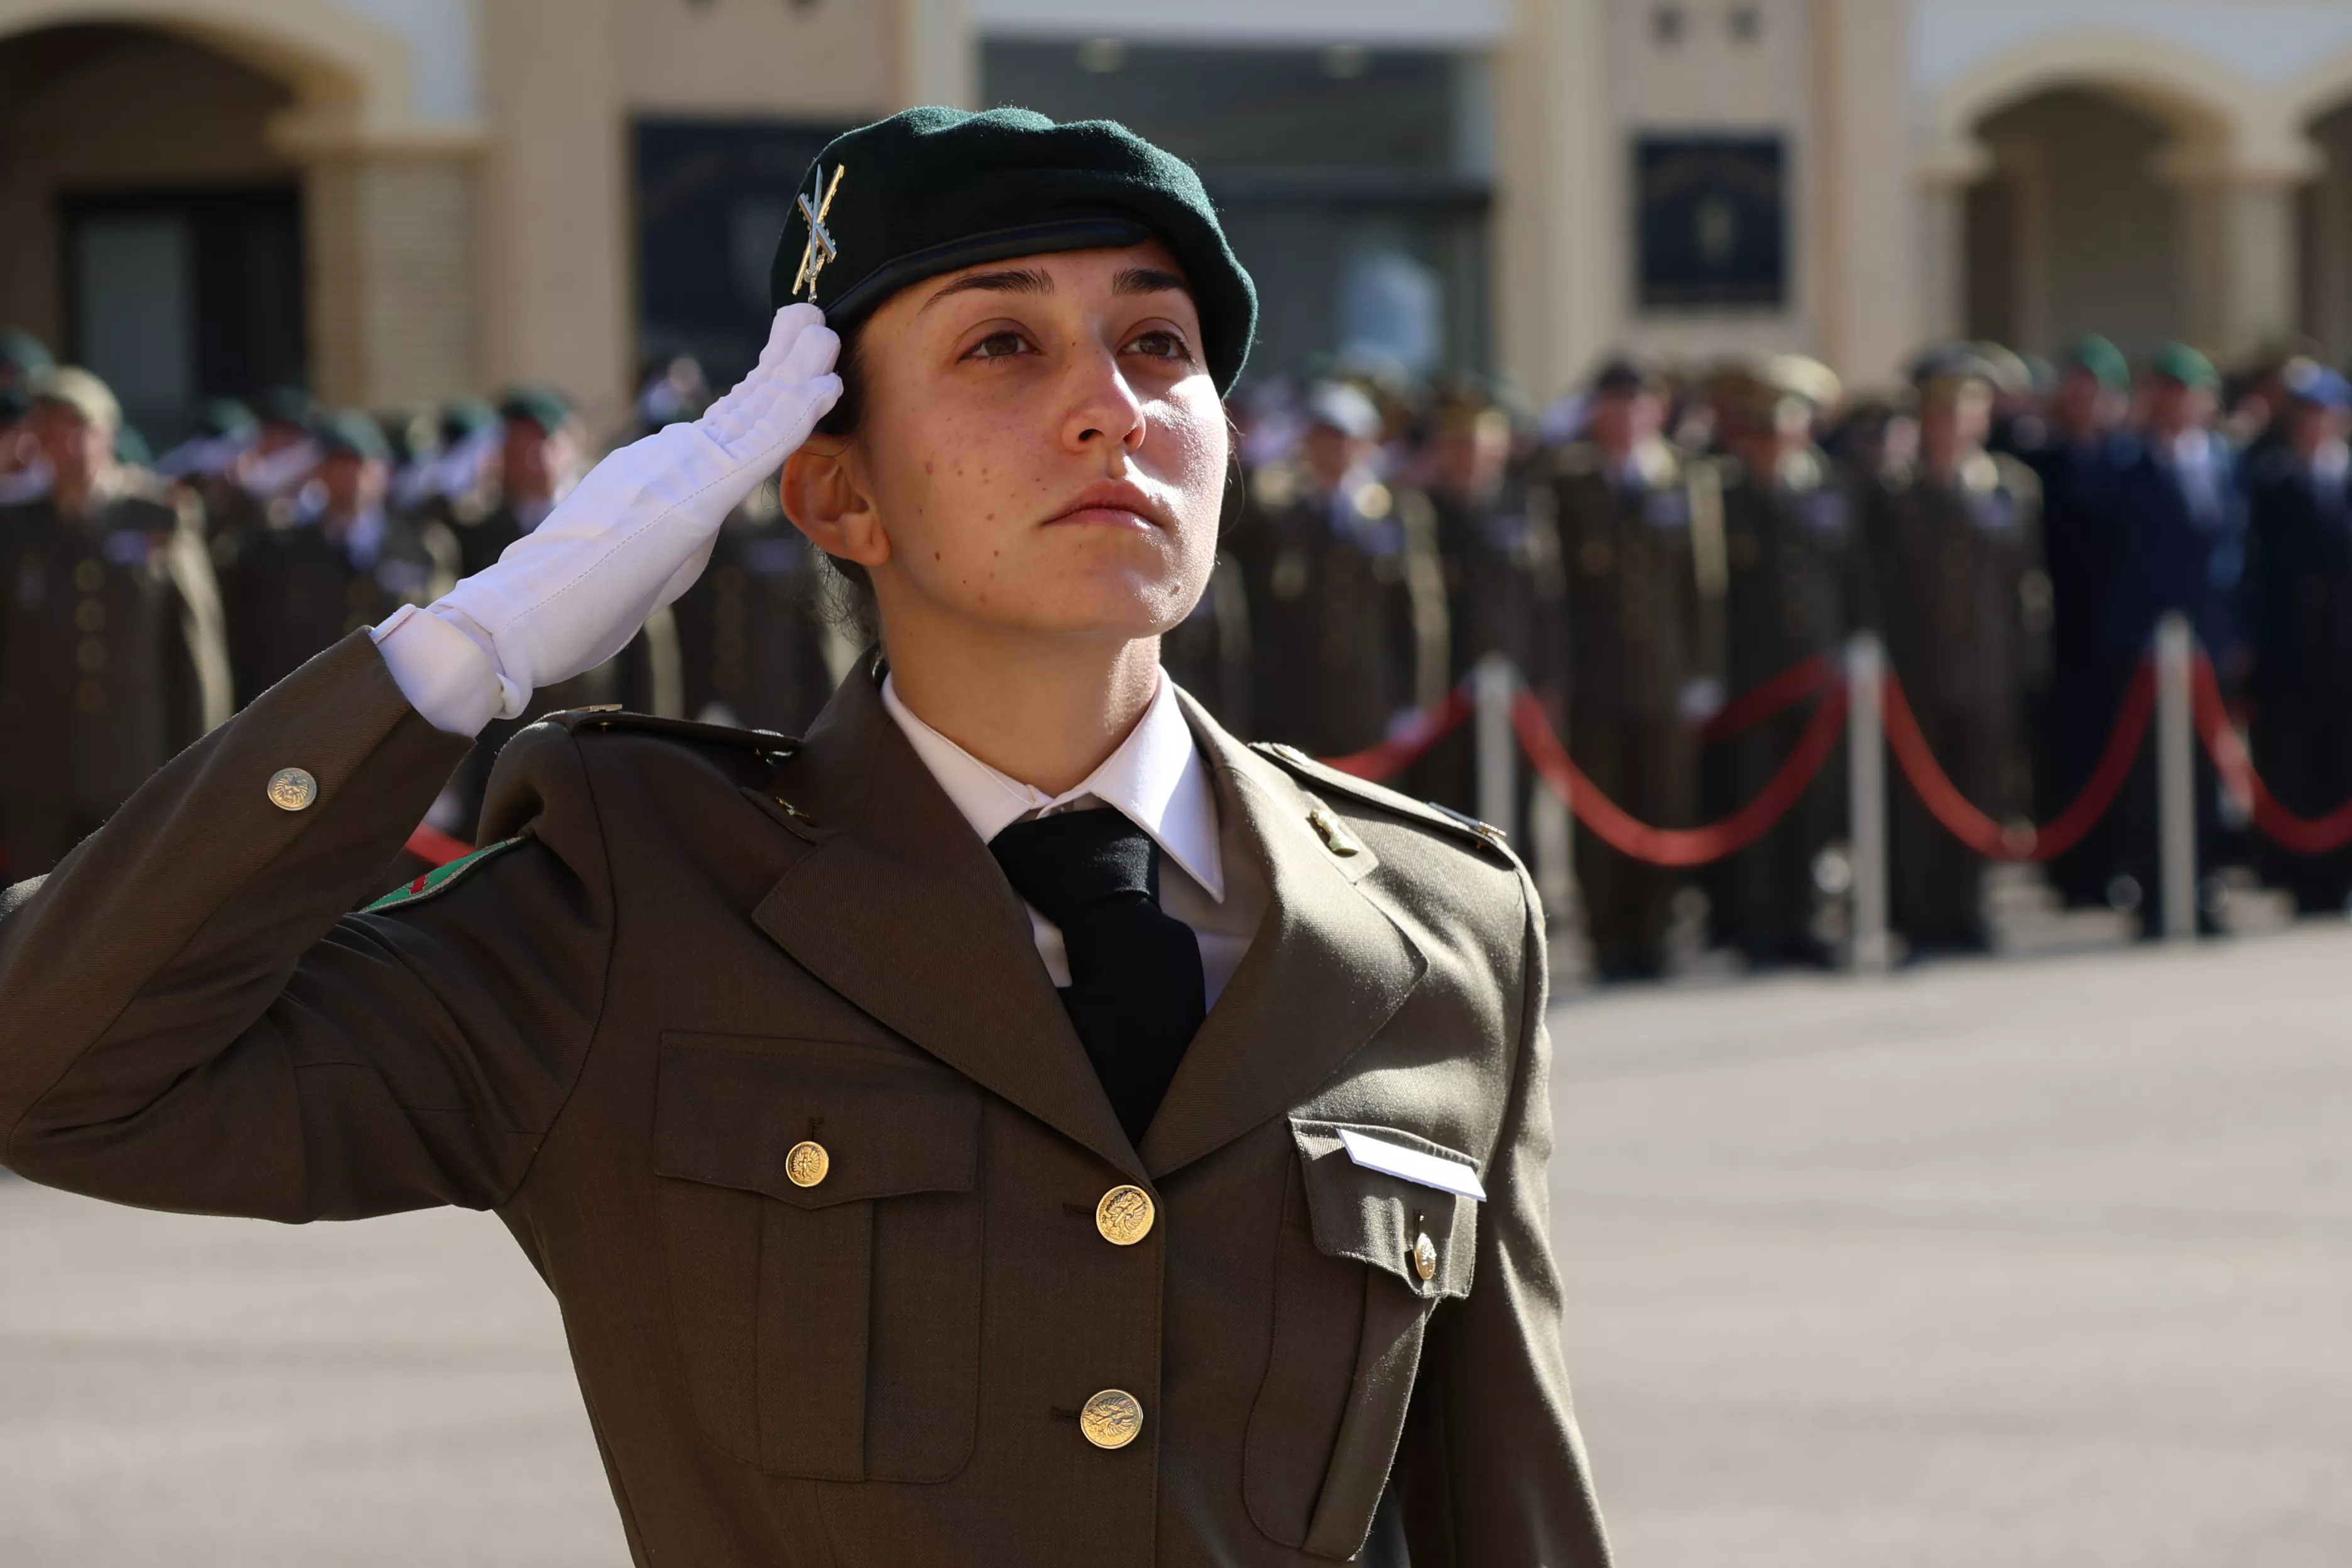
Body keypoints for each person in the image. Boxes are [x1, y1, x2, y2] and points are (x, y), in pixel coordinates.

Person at [0, 106, 1608, 1567]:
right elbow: (57, 1069)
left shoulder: (1432, 922)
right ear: (836, 494)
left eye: (1157, 345)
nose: (1107, 410)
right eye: (1000, 346)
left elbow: (1505, 1512)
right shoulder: (633, 902)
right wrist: (461, 651)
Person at [0, 367, 231, 879]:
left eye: (84, 428)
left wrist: (203, 765)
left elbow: (196, 654)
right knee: (34, 923)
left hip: (134, 764)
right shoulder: (16, 527)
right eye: (56, 432)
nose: (73, 445)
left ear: (109, 433)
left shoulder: (158, 516)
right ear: (36, 441)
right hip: (37, 771)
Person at [1862, 351, 2044, 952]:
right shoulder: (1895, 491)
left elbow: (2027, 585)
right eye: (1939, 415)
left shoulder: (2011, 488)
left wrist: (2028, 662)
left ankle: (1969, 906)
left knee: (1979, 792)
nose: (1950, 426)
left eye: (1962, 414)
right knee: (1916, 797)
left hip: (1987, 666)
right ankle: (1919, 913)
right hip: (1915, 669)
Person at [1540, 357, 1708, 978]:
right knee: (1600, 808)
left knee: (1662, 802)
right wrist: (1557, 675)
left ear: (1658, 411)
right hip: (1597, 677)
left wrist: (1702, 671)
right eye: (1614, 404)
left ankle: (1657, 933)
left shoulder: (1684, 480)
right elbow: (1554, 590)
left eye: (1639, 404)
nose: (1628, 417)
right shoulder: (1572, 484)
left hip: (1664, 674)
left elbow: (1702, 585)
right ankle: (1608, 936)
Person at [1703, 359, 1862, 966]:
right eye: (1765, 430)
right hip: (1750, 677)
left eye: (1788, 429)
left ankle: (1804, 921)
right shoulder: (1725, 491)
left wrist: (1856, 647)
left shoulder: (1830, 488)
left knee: (1813, 805)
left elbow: (1852, 577)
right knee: (1753, 802)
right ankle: (1756, 926)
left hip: (1816, 676)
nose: (1776, 443)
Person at [2104, 343, 2245, 929]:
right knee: (2147, 775)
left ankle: (2205, 886)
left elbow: (2241, 556)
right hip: (2144, 647)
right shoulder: (2126, 464)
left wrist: (2237, 632)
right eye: (2167, 391)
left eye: (2189, 393)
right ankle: (2154, 892)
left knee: (2208, 770)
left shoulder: (2227, 463)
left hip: (2210, 642)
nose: (2178, 404)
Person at [1234, 379, 1448, 761]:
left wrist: (1415, 700)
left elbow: (1420, 613)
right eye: (1320, 437)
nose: (1330, 449)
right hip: (1297, 700)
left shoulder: (1396, 511)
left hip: (1368, 699)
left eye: (1341, 437)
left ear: (1366, 444)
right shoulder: (1280, 511)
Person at [220, 408, 459, 706]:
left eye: (358, 463)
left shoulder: (424, 545)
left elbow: (446, 636)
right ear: (318, 472)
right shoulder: (283, 549)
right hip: (312, 711)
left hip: (397, 710)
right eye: (336, 464)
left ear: (382, 471)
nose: (349, 476)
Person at [2015, 334, 2130, 908]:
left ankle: (2116, 867)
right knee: (2062, 756)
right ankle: (2070, 875)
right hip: (2057, 635)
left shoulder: (2127, 462)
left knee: (2119, 753)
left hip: (2114, 635)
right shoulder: (2038, 461)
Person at [2241, 360, 2352, 912]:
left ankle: (2342, 878)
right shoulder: (2269, 480)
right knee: (2295, 765)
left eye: (2323, 414)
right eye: (2304, 414)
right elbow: (2255, 569)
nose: (2314, 425)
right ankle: (2304, 881)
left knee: (2342, 762)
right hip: (2289, 654)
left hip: (2344, 653)